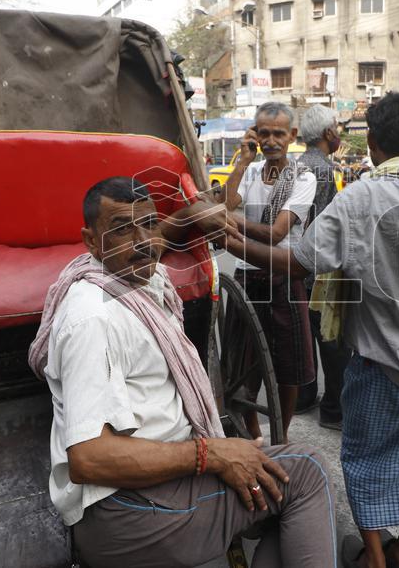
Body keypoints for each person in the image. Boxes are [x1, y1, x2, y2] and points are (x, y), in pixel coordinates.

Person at [225, 92, 399, 568]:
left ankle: (377, 559)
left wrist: (228, 240)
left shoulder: (359, 198)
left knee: (365, 460)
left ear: (375, 142)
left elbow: (296, 265)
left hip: (380, 362)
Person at [28, 177, 336, 568]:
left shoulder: (137, 278)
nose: (143, 241)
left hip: (151, 498)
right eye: (122, 229)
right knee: (307, 473)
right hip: (131, 516)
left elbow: (151, 236)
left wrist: (189, 213)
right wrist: (213, 453)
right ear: (91, 241)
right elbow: (89, 459)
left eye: (149, 224)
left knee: (279, 487)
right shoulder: (94, 317)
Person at [223, 102, 317, 440]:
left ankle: (282, 433)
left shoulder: (303, 178)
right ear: (255, 135)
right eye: (264, 133)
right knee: (243, 362)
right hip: (247, 277)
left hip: (283, 277)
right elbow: (227, 202)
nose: (271, 140)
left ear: (292, 135)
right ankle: (252, 430)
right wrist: (243, 160)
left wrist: (232, 222)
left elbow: (277, 233)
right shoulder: (249, 171)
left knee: (287, 367)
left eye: (279, 133)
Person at [293, 105, 350, 430]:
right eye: (338, 127)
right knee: (332, 342)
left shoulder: (298, 164)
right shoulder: (324, 170)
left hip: (296, 265)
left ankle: (304, 396)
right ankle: (333, 410)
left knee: (305, 338)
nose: (340, 132)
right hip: (318, 269)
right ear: (328, 133)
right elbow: (325, 225)